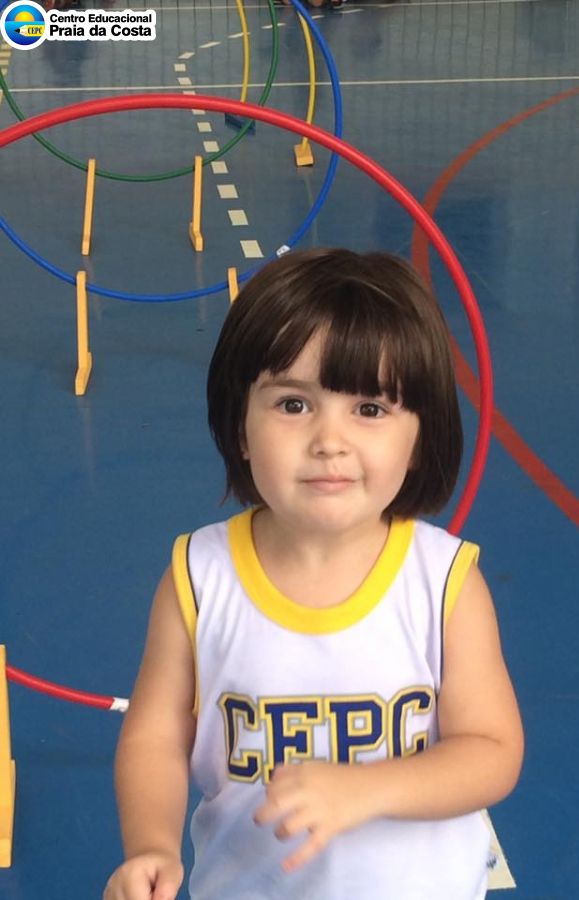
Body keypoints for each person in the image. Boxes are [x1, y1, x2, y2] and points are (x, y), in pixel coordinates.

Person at [104, 248, 524, 900]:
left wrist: (366, 789)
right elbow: (155, 735)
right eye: (294, 405)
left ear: (420, 438)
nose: (330, 440)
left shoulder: (444, 582)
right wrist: (151, 845)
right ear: (240, 428)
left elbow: (491, 750)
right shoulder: (199, 577)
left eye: (370, 409)